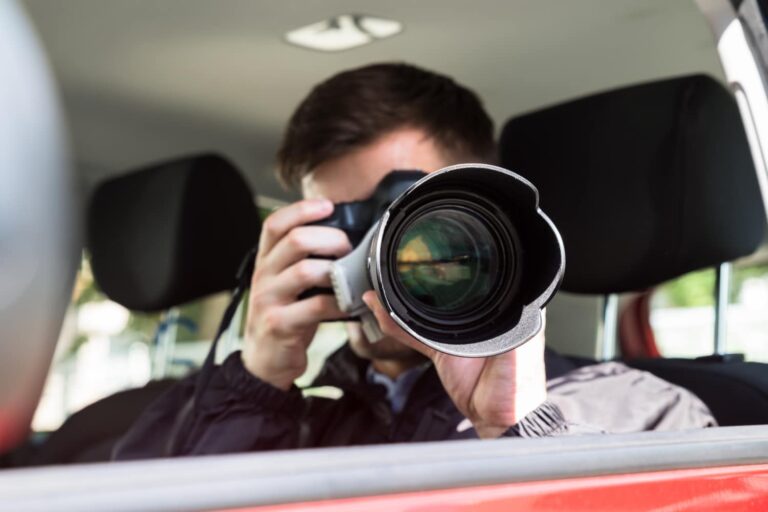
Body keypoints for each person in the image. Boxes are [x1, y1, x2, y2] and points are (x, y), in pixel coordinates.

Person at [114, 63, 714, 459]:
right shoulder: (273, 419)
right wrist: (255, 383)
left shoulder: (639, 414)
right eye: (342, 223)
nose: (386, 250)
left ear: (486, 216)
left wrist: (521, 429)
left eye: (411, 214)